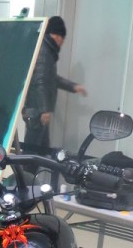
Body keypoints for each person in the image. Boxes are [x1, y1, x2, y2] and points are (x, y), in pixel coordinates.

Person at [22, 15, 87, 150]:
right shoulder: (44, 51)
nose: (62, 43)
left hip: (36, 112)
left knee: (41, 150)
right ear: (57, 36)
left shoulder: (47, 50)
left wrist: (73, 87)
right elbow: (40, 81)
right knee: (32, 151)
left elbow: (51, 78)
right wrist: (45, 110)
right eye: (63, 38)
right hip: (37, 113)